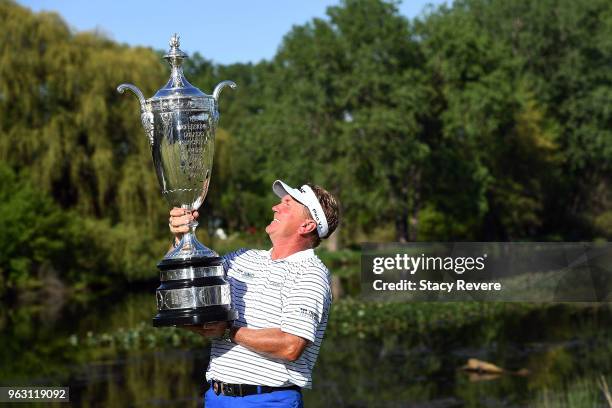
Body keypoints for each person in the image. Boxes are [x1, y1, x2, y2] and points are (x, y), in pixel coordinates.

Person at [168, 180, 340, 407]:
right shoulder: (243, 257)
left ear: (306, 226)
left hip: (268, 401)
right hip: (216, 398)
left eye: (287, 204)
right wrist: (181, 238)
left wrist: (230, 331)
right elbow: (189, 290)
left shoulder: (311, 274)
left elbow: (290, 345)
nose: (276, 207)